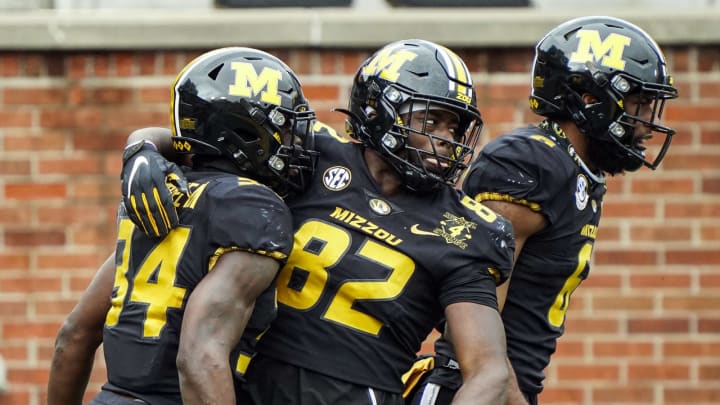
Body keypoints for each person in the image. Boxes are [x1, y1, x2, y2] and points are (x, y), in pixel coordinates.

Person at [120, 39, 516, 404]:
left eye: (455, 127)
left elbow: (488, 371)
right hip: (251, 380)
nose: (446, 139)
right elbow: (217, 131)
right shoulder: (313, 153)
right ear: (380, 111)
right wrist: (142, 148)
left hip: (360, 392)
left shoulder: (466, 227)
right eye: (431, 122)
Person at [404, 15, 679, 405]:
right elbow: (473, 318)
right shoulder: (529, 163)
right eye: (641, 103)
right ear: (591, 100)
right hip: (472, 391)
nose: (649, 123)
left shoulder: (576, 170)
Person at [47, 46, 318, 405]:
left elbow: (73, 336)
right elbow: (199, 358)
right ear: (245, 131)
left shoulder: (163, 191)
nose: (293, 143)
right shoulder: (254, 207)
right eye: (282, 129)